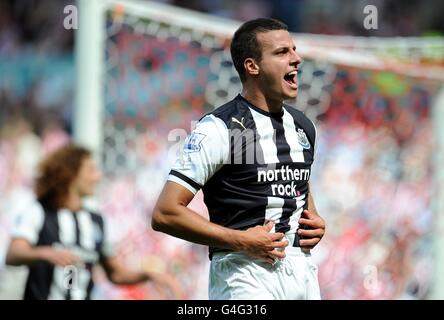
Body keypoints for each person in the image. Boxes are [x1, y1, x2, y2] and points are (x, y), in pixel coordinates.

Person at [152, 18, 326, 300]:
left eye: (294, 50)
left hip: (303, 272)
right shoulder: (221, 128)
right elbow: (166, 213)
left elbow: (298, 187)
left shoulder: (304, 127)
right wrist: (242, 240)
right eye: (282, 52)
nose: (297, 59)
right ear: (252, 66)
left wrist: (314, 220)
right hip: (244, 272)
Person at [6, 144, 180, 300]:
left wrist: (148, 276)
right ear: (70, 174)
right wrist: (45, 253)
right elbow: (13, 254)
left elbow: (116, 274)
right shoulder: (39, 211)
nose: (97, 177)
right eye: (91, 170)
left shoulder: (97, 221)